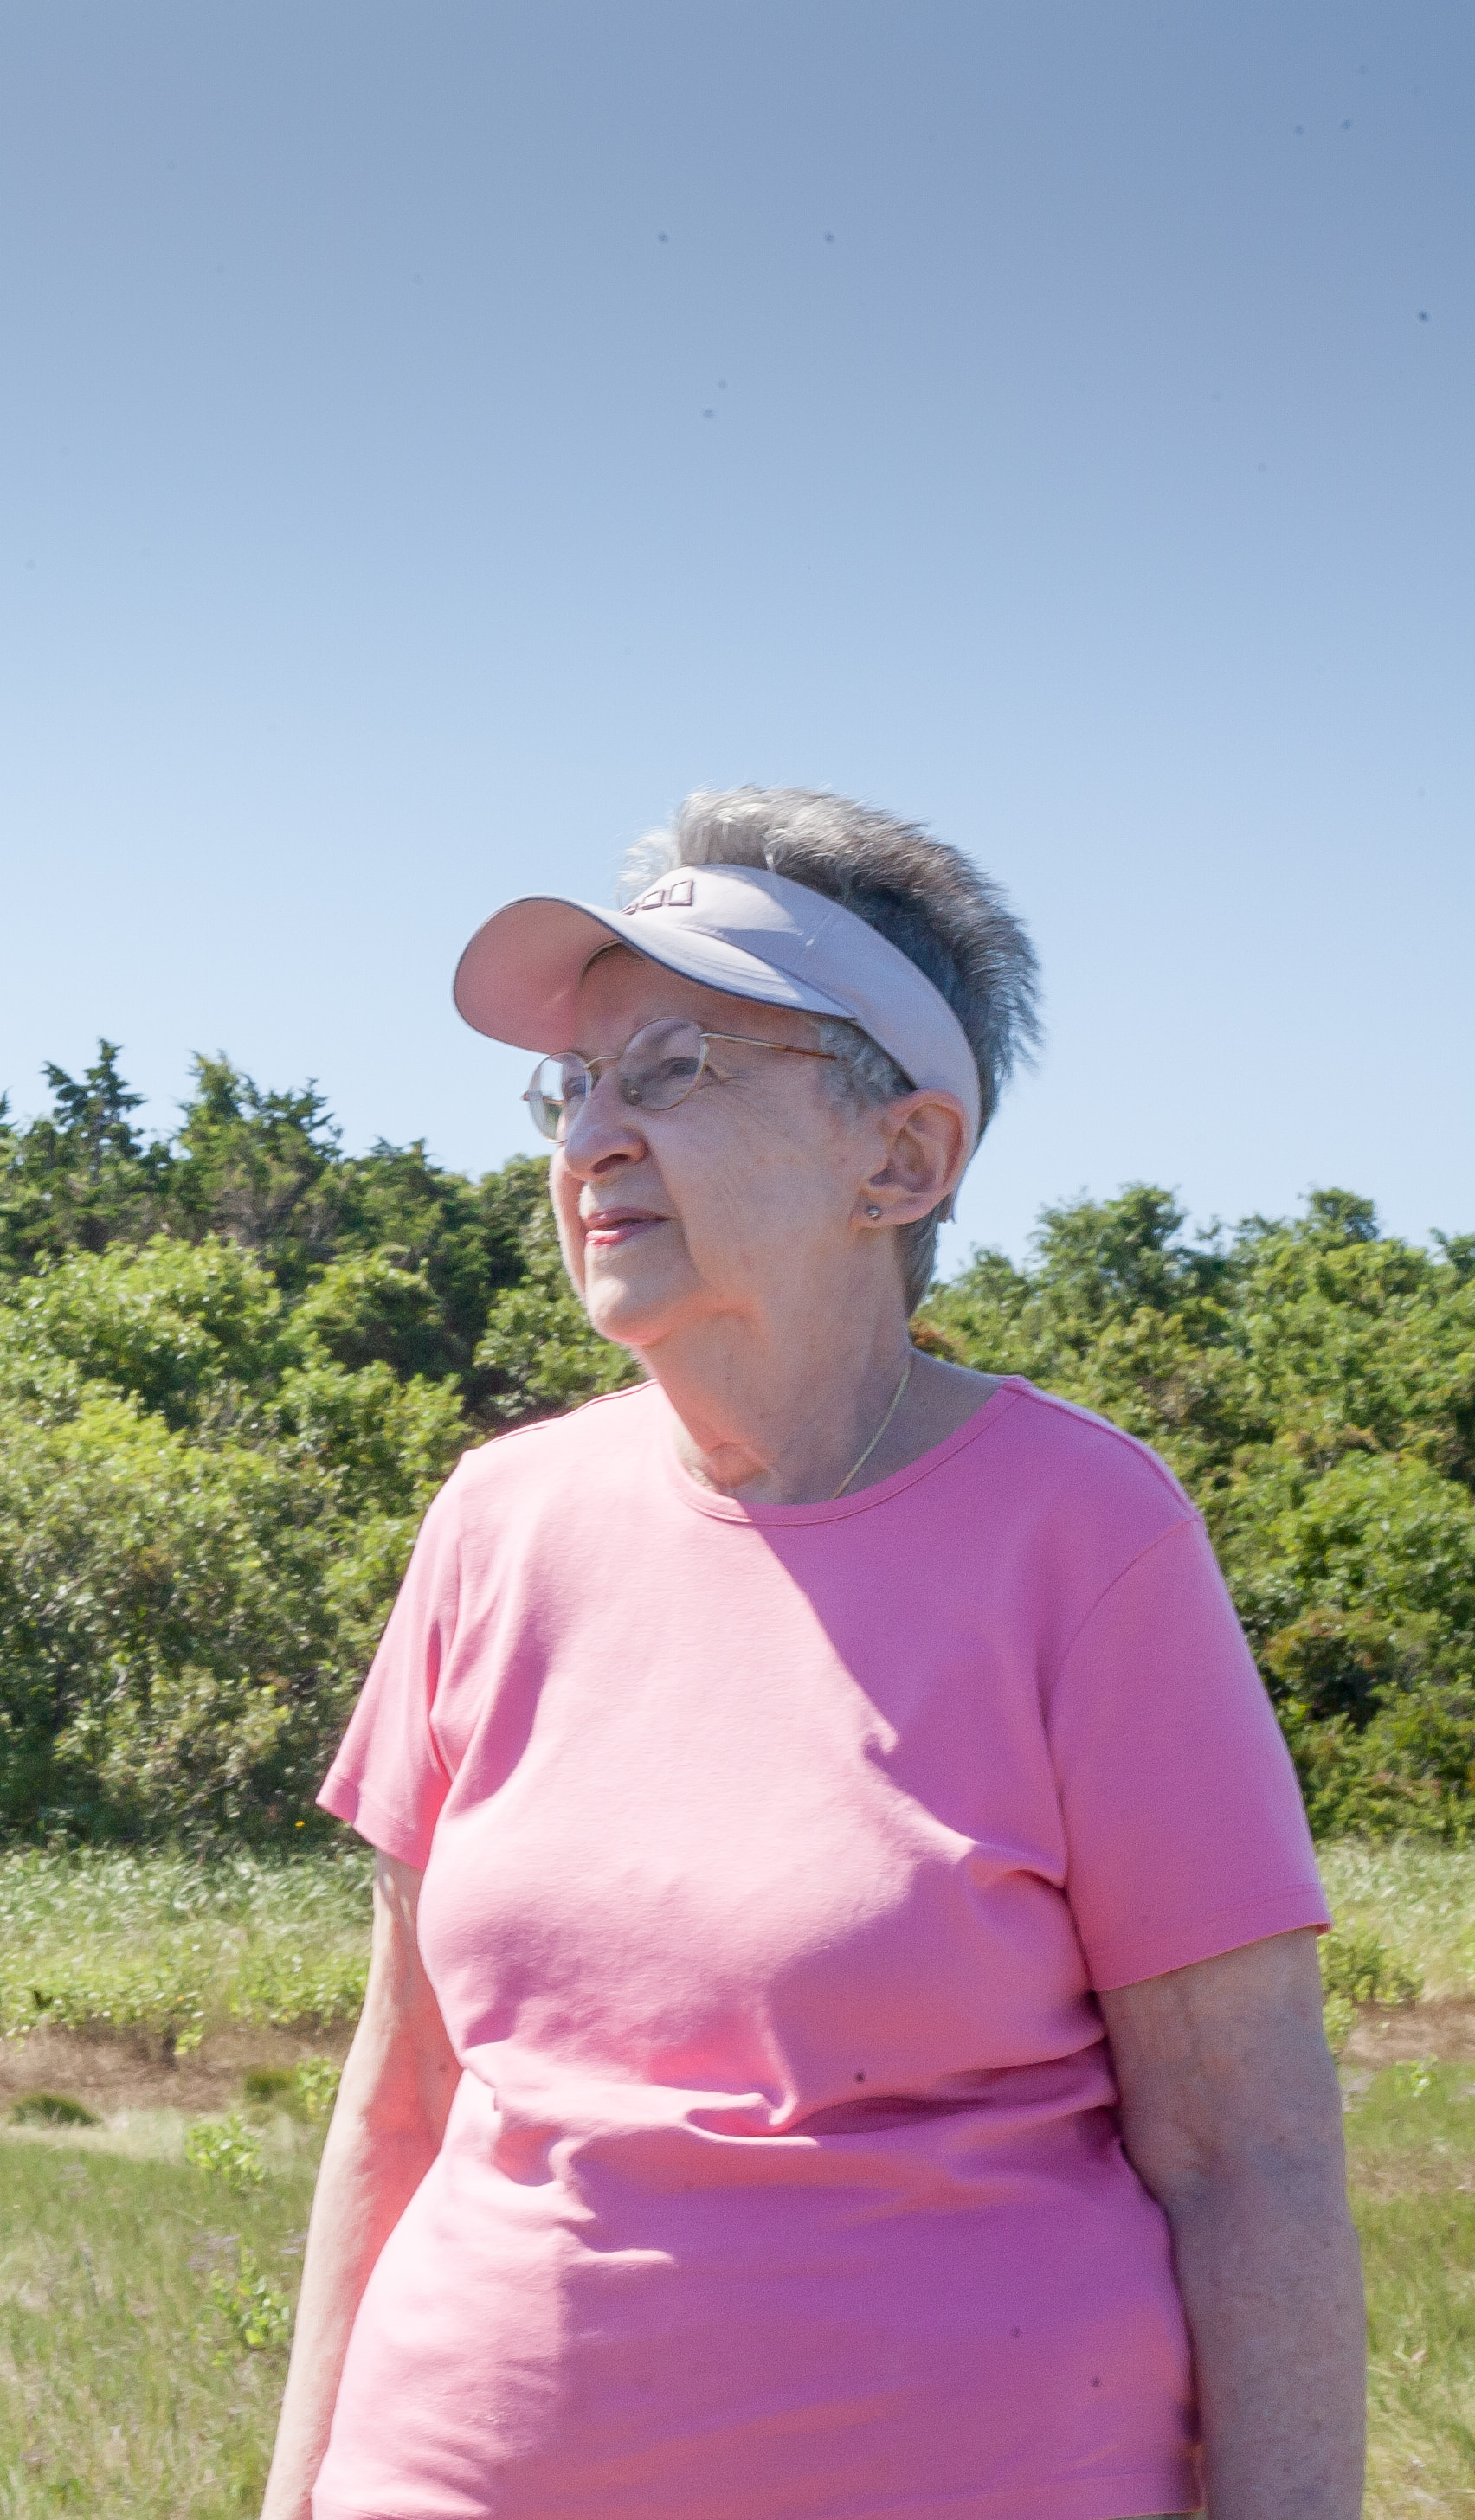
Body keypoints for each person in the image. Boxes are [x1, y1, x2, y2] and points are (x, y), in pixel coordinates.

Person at [262, 790, 1364, 2520]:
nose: (595, 1135)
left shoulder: (1090, 1535)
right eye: (580, 1082)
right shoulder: (493, 1522)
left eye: (680, 1063)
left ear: (903, 1158)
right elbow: (400, 2099)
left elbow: (1249, 2157)